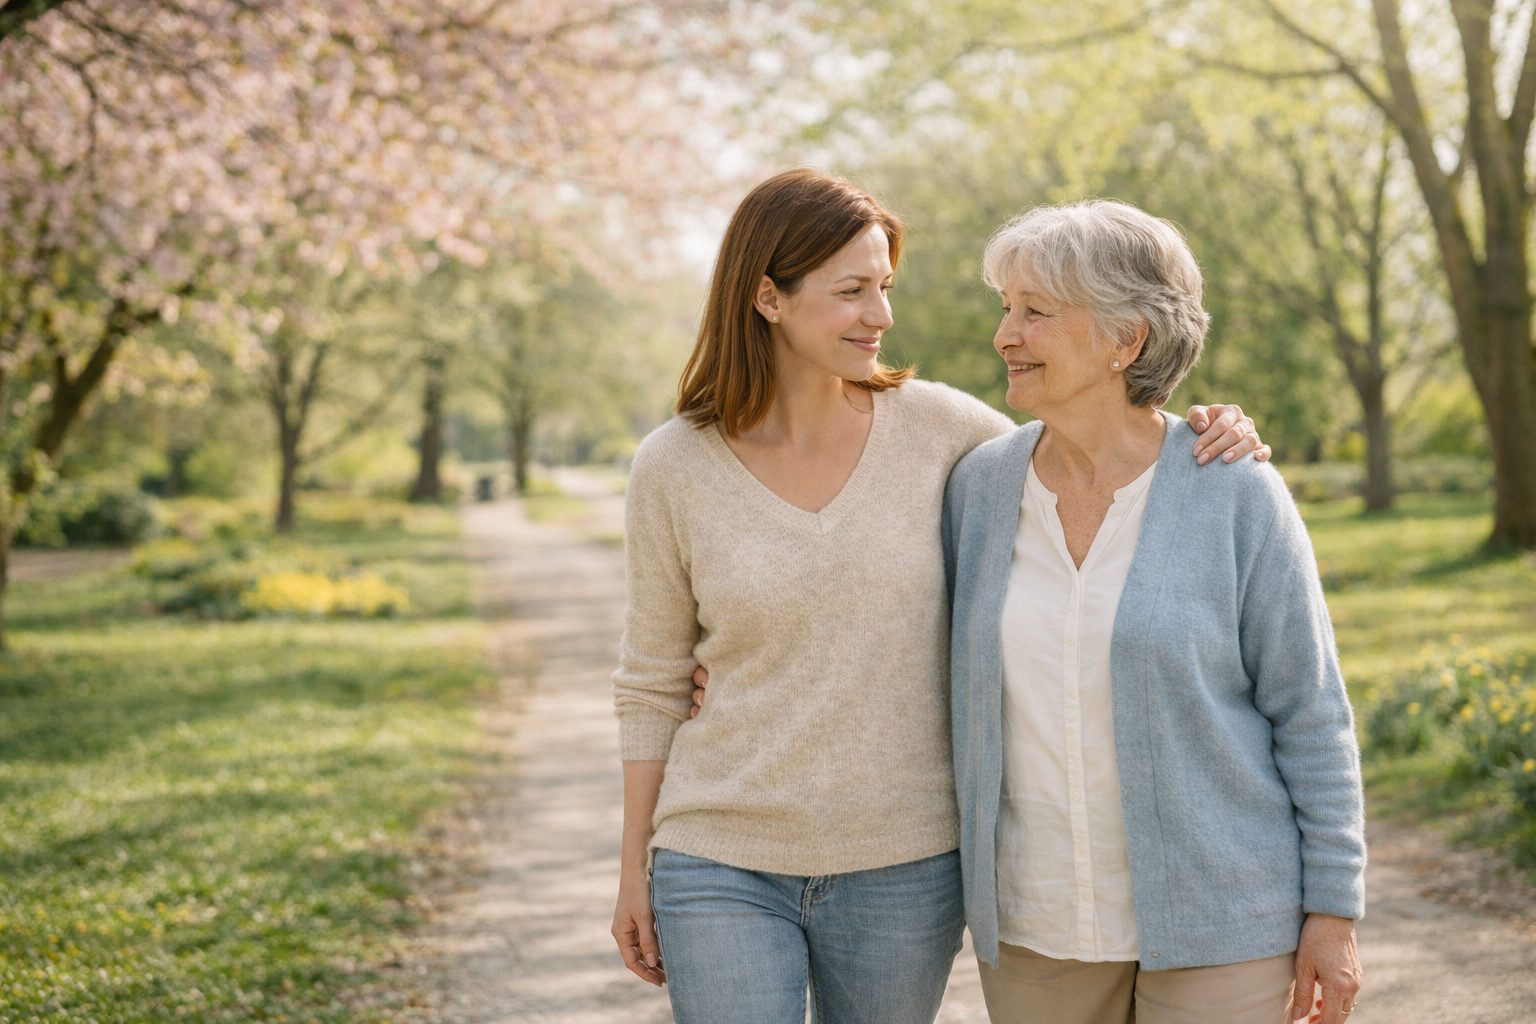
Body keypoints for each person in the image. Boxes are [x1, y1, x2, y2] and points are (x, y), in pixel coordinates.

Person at [610, 169, 1266, 1023]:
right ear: (768, 297)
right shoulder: (674, 466)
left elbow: (1102, 442)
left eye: (884, 287)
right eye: (852, 292)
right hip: (718, 849)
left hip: (904, 864)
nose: (881, 315)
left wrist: (1209, 430)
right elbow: (652, 681)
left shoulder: (952, 436)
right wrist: (634, 866)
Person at [942, 199, 1365, 1024]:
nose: (1005, 335)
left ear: (1126, 340)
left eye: (1035, 313)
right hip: (1037, 928)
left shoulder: (1234, 491)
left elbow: (1311, 713)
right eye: (1006, 309)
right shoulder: (978, 488)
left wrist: (1335, 911)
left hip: (1225, 921)